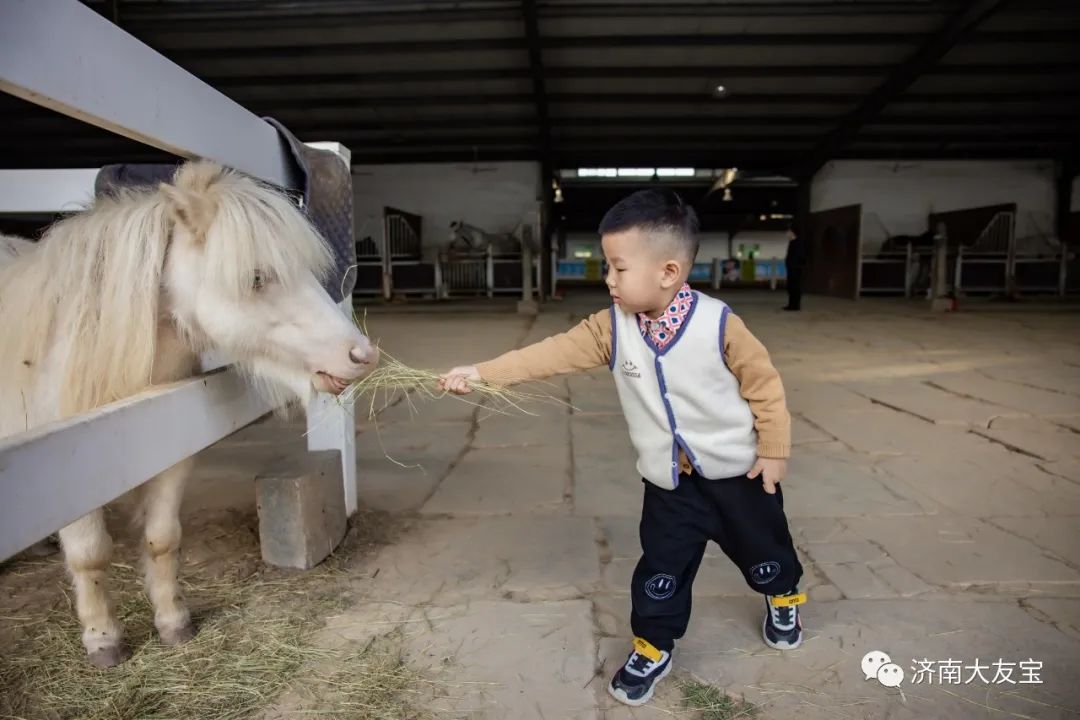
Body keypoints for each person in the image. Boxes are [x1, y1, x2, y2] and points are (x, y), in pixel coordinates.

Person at [438, 189, 805, 708]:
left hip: (739, 476)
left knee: (765, 548)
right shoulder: (610, 328)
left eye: (617, 267)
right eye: (607, 265)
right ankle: (653, 645)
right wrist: (481, 373)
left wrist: (774, 448)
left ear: (669, 271)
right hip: (669, 485)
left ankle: (783, 597)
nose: (607, 278)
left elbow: (764, 386)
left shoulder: (720, 324)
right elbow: (549, 355)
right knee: (661, 568)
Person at [783, 225, 805, 311]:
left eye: (788, 232)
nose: (787, 233)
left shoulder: (798, 243)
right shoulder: (792, 242)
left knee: (795, 287)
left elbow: (800, 257)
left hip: (795, 269)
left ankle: (795, 305)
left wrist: (796, 266)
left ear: (792, 232)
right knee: (790, 287)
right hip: (791, 269)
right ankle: (791, 304)